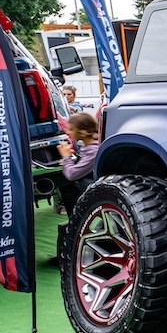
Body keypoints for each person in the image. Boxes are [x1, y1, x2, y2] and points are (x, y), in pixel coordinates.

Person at [53, 111, 99, 260]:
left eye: (71, 129)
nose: (69, 132)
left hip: (96, 190)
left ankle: (75, 220)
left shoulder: (92, 150)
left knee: (67, 183)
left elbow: (72, 174)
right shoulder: (88, 146)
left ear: (83, 132)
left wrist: (66, 157)